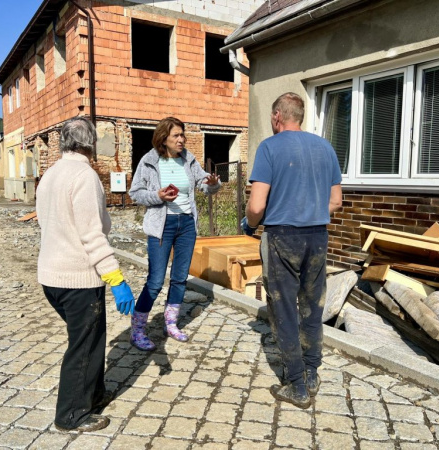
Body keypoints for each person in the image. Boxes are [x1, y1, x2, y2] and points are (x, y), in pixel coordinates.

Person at [242, 93, 343, 409]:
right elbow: (336, 202)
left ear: (276, 116)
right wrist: (310, 211)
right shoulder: (325, 148)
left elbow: (257, 205)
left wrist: (248, 223)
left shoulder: (270, 148)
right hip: (317, 236)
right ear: (299, 116)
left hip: (282, 237)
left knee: (284, 308)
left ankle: (296, 384)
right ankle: (313, 370)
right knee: (311, 305)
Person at [36, 117, 135, 432]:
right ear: (90, 144)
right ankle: (70, 415)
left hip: (51, 277)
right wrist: (116, 280)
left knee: (90, 340)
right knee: (84, 345)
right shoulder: (84, 176)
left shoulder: (50, 174)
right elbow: (93, 235)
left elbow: (47, 220)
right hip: (77, 278)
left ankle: (92, 395)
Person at [129, 117, 221, 351]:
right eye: (176, 136)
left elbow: (204, 185)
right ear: (164, 138)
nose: (181, 140)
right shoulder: (149, 161)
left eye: (182, 135)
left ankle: (170, 323)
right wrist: (157, 196)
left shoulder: (188, 159)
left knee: (180, 278)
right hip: (162, 225)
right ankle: (138, 329)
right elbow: (135, 193)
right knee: (155, 281)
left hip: (187, 224)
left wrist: (212, 183)